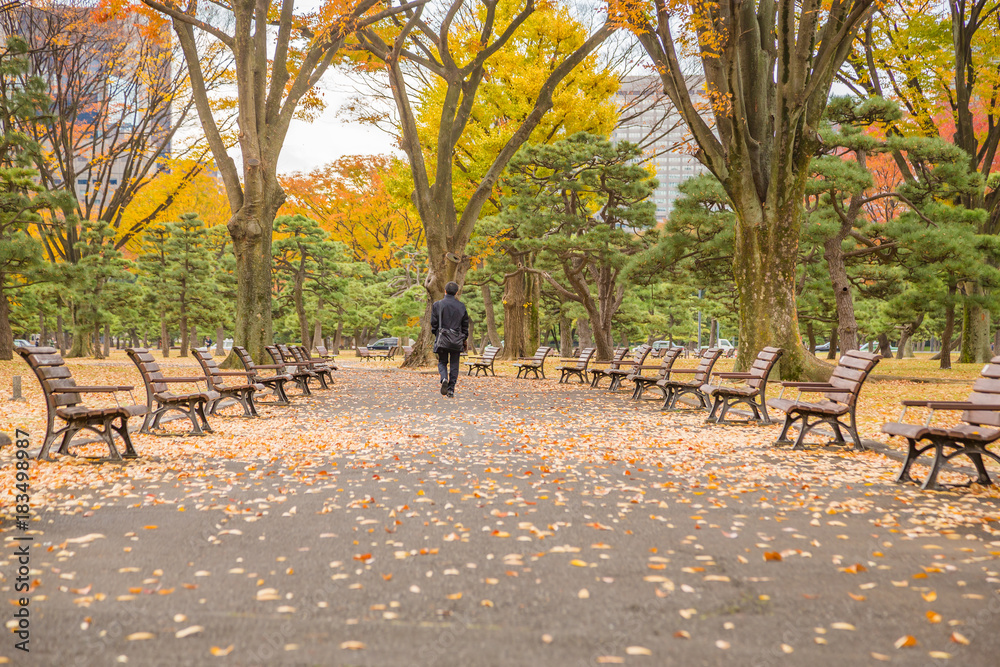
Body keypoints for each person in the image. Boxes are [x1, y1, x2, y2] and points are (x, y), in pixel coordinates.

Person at [431, 281, 469, 398]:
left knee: (442, 361)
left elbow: (434, 323)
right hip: (456, 340)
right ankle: (451, 389)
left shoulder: (437, 305)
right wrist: (463, 338)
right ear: (456, 292)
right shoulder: (461, 306)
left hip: (442, 339)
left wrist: (437, 333)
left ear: (445, 291)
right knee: (454, 364)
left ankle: (443, 379)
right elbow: (465, 325)